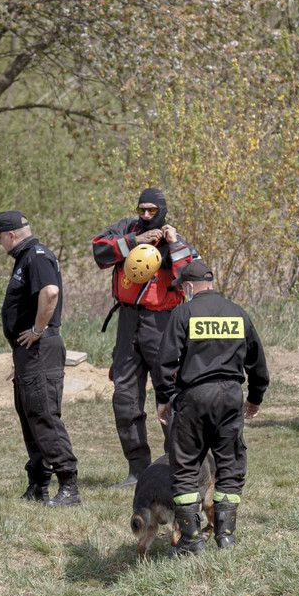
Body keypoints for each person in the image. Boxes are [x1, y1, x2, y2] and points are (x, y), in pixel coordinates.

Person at [152, 260, 269, 553]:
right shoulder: (238, 313)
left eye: (183, 289)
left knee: (186, 466)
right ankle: (225, 536)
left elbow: (165, 361)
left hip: (194, 397)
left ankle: (191, 540)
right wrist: (255, 397)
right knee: (230, 464)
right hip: (230, 396)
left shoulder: (183, 313)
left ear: (189, 287)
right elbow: (257, 362)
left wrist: (164, 398)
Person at [93, 187, 198, 488]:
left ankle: (174, 468)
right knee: (124, 397)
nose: (148, 215)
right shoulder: (125, 228)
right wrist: (134, 241)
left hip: (162, 323)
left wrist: (173, 242)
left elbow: (190, 275)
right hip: (127, 320)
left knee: (170, 395)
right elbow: (99, 250)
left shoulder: (175, 239)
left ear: (163, 210)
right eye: (143, 210)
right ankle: (137, 470)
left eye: (153, 210)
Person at [0, 210, 81, 507]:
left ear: (10, 235)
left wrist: (38, 330)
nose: (0, 243)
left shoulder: (36, 256)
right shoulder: (26, 258)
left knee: (43, 414)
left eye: (0, 237)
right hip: (28, 353)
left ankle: (69, 487)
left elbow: (50, 293)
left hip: (40, 349)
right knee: (30, 416)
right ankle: (38, 484)